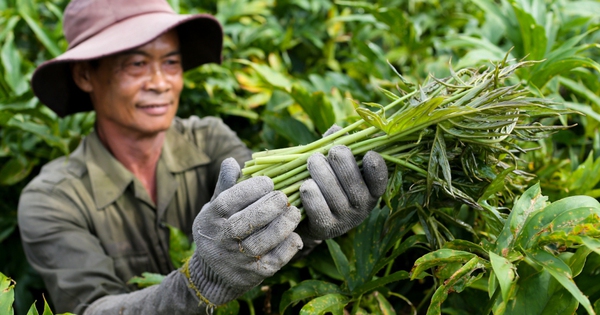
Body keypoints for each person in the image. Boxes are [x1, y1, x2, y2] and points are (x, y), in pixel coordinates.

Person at [17, 0, 388, 314]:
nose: (161, 82)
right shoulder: (51, 197)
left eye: (171, 63)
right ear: (85, 75)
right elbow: (92, 309)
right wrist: (201, 281)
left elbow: (266, 204)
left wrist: (311, 219)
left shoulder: (210, 138)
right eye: (136, 64)